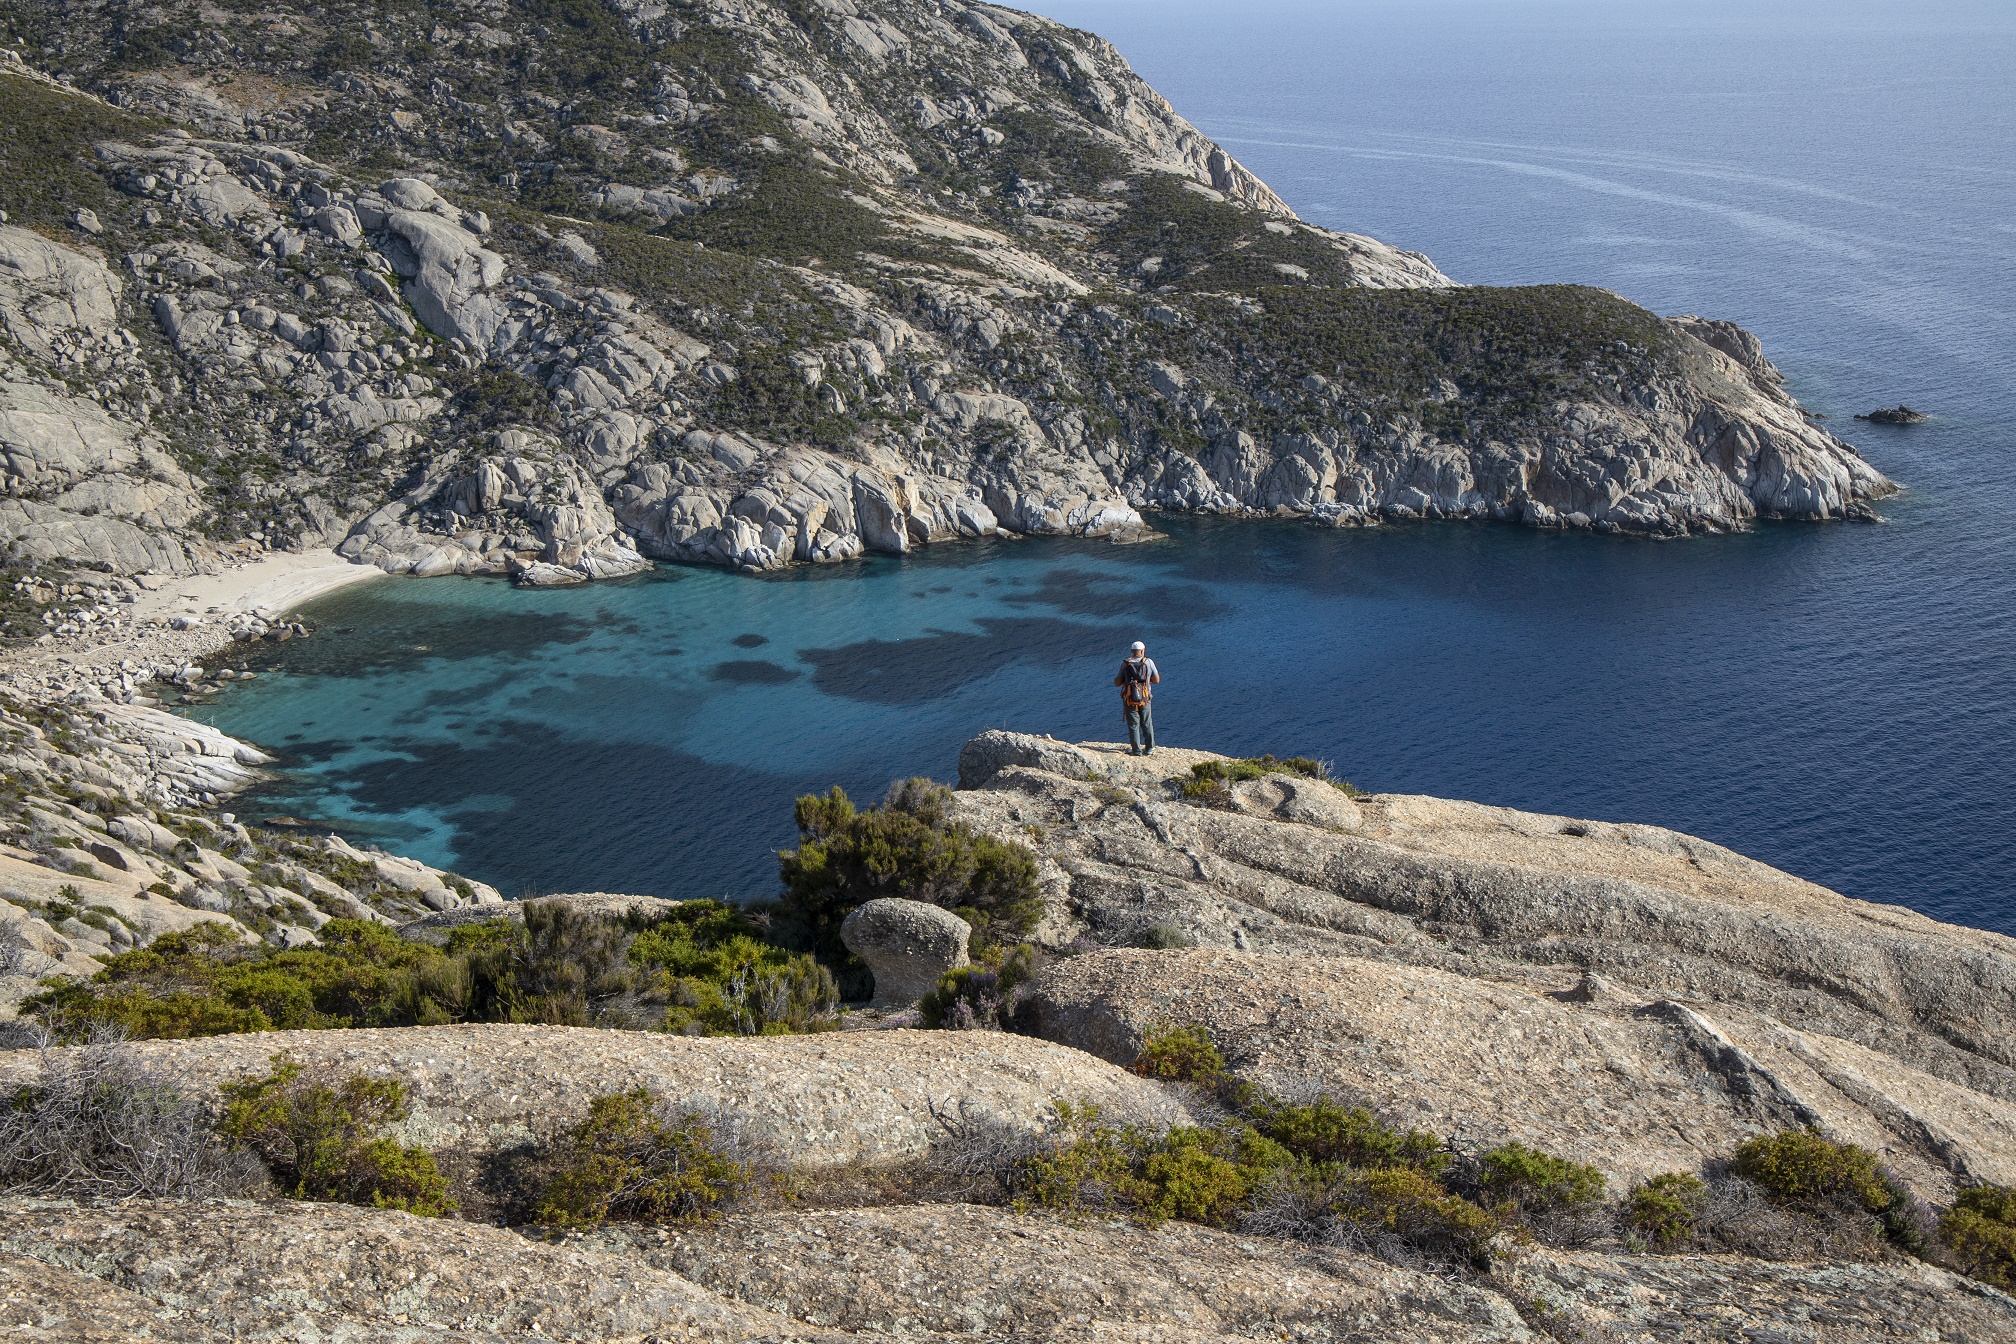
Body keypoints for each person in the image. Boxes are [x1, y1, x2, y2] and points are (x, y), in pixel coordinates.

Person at [1114, 639, 1160, 755]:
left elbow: (1117, 683)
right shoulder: (1148, 662)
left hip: (1130, 699)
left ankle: (1136, 750)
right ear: (1142, 651)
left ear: (1132, 651)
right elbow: (1157, 680)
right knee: (1146, 722)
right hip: (1145, 698)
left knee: (1133, 725)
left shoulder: (1125, 663)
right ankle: (1149, 748)